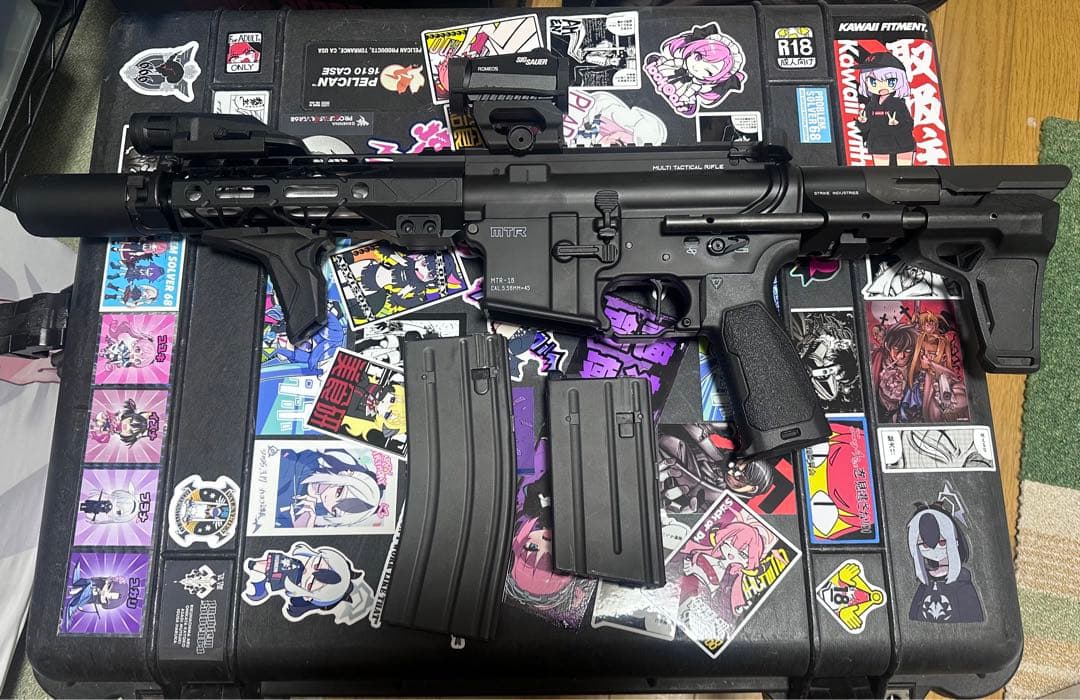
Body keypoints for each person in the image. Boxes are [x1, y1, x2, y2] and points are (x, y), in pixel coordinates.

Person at [855, 52, 916, 166]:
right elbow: (866, 128)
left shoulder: (899, 104)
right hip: (879, 145)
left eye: (889, 81)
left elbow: (909, 124)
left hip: (902, 143)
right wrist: (862, 122)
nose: (881, 86)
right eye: (873, 82)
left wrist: (896, 124)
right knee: (881, 174)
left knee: (906, 173)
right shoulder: (871, 106)